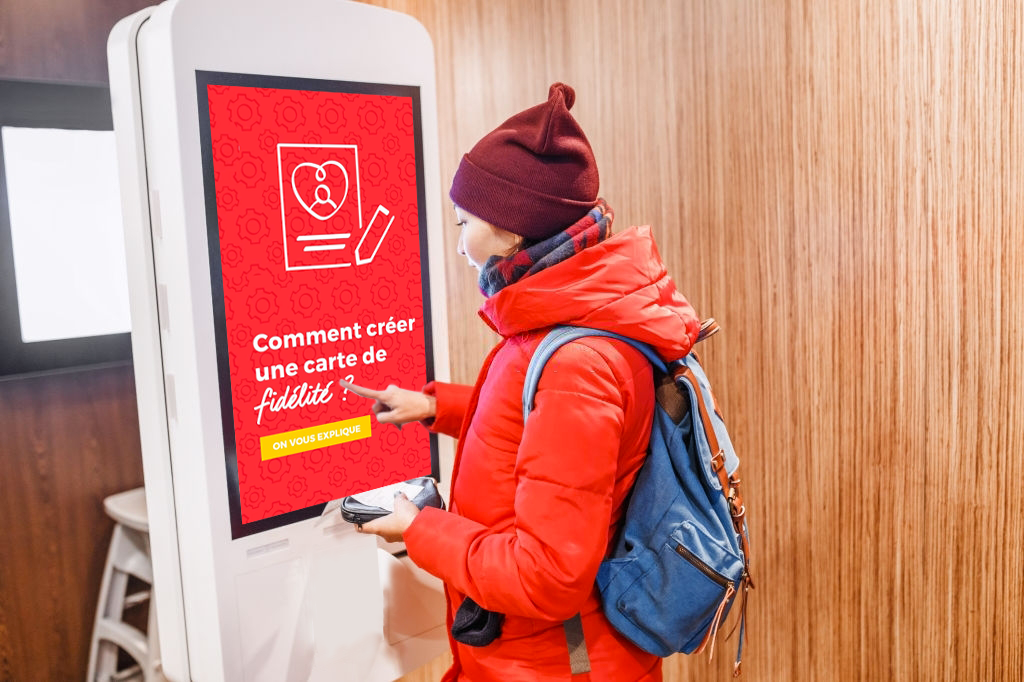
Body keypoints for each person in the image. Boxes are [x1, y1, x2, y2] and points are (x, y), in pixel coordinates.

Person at [350, 83, 701, 681]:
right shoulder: (578, 320)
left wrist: (420, 527)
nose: (459, 245)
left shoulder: (575, 359)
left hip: (560, 661)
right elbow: (550, 431)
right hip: (547, 653)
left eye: (465, 223)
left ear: (512, 232)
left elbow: (547, 577)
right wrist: (434, 407)